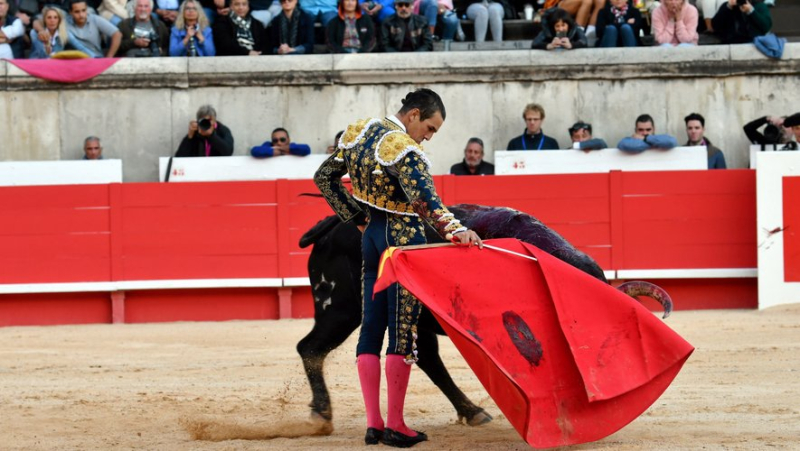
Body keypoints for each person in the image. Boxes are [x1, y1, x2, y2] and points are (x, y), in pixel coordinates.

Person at [314, 88, 482, 448]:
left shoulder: (359, 132)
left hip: (372, 237)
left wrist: (356, 218)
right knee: (402, 332)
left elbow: (324, 178)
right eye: (430, 127)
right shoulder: (404, 148)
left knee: (370, 330)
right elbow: (428, 204)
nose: (428, 136)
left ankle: (373, 425)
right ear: (413, 114)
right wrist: (459, 231)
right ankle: (396, 425)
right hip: (403, 242)